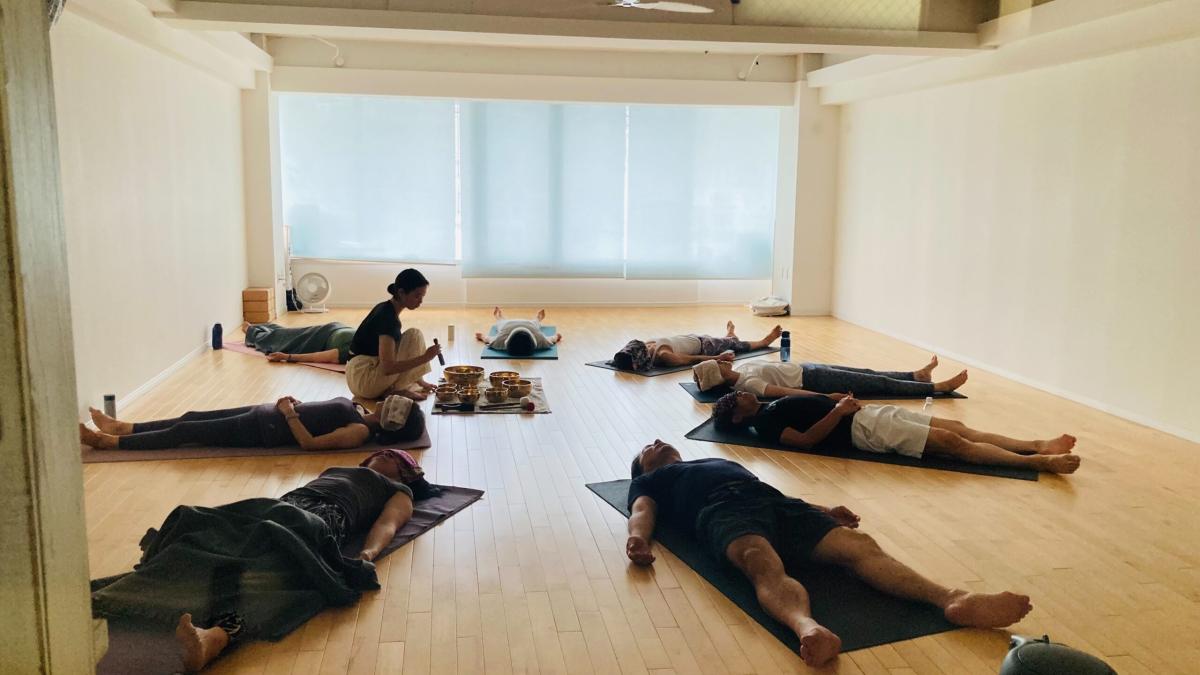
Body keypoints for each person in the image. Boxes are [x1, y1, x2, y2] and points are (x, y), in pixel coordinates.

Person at [625, 440, 1035, 668]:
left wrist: (822, 510)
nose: (656, 442)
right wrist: (639, 539)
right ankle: (807, 627)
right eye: (647, 448)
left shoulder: (714, 460)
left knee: (860, 546)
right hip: (723, 512)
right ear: (644, 468)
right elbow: (642, 512)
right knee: (759, 560)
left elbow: (774, 492)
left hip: (777, 505)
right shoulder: (653, 481)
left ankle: (953, 600)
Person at [91, 450, 431, 672]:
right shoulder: (338, 469)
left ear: (408, 471)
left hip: (319, 520)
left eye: (393, 456)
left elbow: (388, 524)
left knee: (276, 569)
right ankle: (137, 593)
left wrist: (366, 555)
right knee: (206, 537)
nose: (382, 454)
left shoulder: (399, 491)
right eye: (381, 452)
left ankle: (216, 637)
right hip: (275, 506)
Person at [712, 391, 1081, 474]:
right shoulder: (766, 424)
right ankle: (1039, 462)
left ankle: (1035, 445)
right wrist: (838, 412)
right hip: (862, 431)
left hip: (865, 414)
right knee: (952, 444)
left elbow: (811, 406)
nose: (741, 393)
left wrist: (835, 400)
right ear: (739, 418)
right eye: (736, 398)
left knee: (955, 427)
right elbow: (806, 441)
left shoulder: (768, 406)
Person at [79, 394, 425, 451]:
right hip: (266, 413)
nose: (391, 399)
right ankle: (125, 428)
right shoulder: (359, 413)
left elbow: (309, 444)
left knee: (187, 432)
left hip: (262, 430)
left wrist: (289, 413)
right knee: (190, 418)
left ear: (390, 420)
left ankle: (112, 443)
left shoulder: (359, 432)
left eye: (396, 405)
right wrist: (294, 404)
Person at [345, 269, 441, 400]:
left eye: (422, 296)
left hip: (355, 378)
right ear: (401, 293)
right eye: (417, 296)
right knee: (414, 335)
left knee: (413, 336)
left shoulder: (385, 308)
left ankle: (396, 388)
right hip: (364, 380)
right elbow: (388, 368)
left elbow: (397, 355)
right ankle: (398, 390)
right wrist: (426, 357)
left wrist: (421, 382)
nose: (420, 301)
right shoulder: (388, 319)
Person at [693, 354, 968, 398]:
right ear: (719, 374)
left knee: (867, 373)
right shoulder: (747, 384)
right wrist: (825, 398)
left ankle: (916, 375)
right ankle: (936, 388)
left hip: (810, 368)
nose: (722, 362)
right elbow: (786, 393)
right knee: (878, 384)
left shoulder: (740, 370)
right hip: (815, 381)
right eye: (718, 365)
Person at [613, 321, 782, 371]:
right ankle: (764, 342)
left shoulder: (644, 346)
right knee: (736, 345)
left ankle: (730, 335)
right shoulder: (664, 355)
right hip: (704, 346)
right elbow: (690, 359)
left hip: (695, 338)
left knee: (729, 341)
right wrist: (717, 358)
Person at [240, 320, 356, 365]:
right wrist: (288, 357)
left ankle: (256, 329)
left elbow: (324, 356)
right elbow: (321, 357)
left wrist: (287, 357)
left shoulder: (357, 348)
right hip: (321, 337)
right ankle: (251, 331)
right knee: (282, 341)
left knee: (288, 335)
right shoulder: (353, 351)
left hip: (335, 329)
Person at [474, 306, 563, 356]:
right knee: (535, 323)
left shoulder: (500, 340)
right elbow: (551, 340)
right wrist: (557, 336)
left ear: (506, 343)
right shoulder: (539, 338)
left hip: (510, 325)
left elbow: (487, 339)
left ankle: (499, 317)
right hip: (527, 325)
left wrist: (482, 336)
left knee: (501, 323)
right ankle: (538, 318)